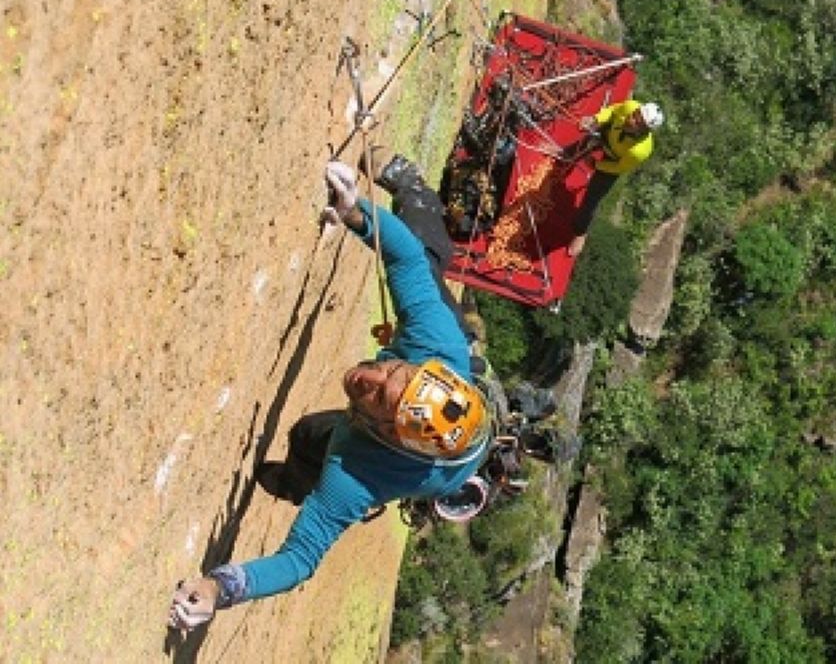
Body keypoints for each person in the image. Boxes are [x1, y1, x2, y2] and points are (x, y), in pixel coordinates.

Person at [167, 154, 491, 631]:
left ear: (385, 430)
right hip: (447, 408)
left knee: (311, 436)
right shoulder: (437, 346)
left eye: (379, 399)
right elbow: (406, 258)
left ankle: (299, 484)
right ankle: (412, 188)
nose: (370, 378)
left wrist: (219, 589)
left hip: (406, 462)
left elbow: (300, 559)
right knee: (429, 258)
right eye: (393, 372)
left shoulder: (363, 473)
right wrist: (356, 212)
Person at [568, 100, 663, 257]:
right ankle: (566, 154)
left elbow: (620, 167)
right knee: (582, 134)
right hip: (608, 133)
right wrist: (596, 119)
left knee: (592, 198)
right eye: (635, 115)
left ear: (644, 130)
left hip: (613, 159)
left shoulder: (639, 151)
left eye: (637, 122)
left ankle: (580, 232)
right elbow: (612, 111)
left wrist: (597, 165)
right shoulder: (630, 106)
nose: (631, 120)